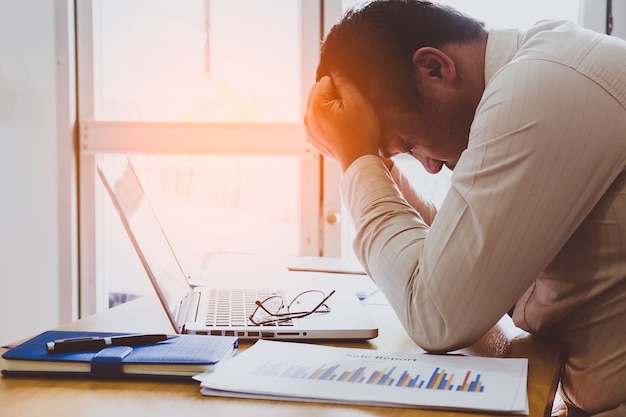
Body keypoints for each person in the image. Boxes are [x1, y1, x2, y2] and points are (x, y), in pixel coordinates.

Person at [303, 1, 626, 416]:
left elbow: (437, 315)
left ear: (435, 69)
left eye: (407, 143)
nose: (430, 165)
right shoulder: (537, 75)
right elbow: (462, 260)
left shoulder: (537, 89)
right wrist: (368, 161)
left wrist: (355, 159)